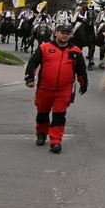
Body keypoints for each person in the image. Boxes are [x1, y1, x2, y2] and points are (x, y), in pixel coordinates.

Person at [24, 23, 88, 153]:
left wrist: (83, 83)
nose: (64, 35)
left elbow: (81, 70)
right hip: (44, 88)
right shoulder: (44, 47)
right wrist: (29, 78)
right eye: (62, 32)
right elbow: (33, 63)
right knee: (42, 113)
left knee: (59, 115)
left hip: (64, 90)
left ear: (70, 35)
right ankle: (41, 133)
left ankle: (56, 141)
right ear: (56, 33)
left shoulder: (75, 51)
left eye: (67, 33)